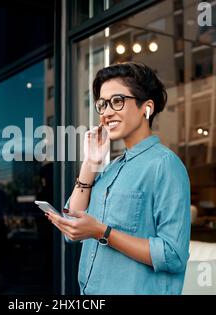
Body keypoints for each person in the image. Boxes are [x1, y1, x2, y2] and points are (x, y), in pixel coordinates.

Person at [46, 62, 191, 295]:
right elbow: (71, 224)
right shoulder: (111, 168)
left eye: (117, 101)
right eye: (102, 104)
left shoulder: (164, 165)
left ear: (147, 107)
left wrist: (102, 232)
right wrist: (90, 162)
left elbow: (173, 255)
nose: (106, 113)